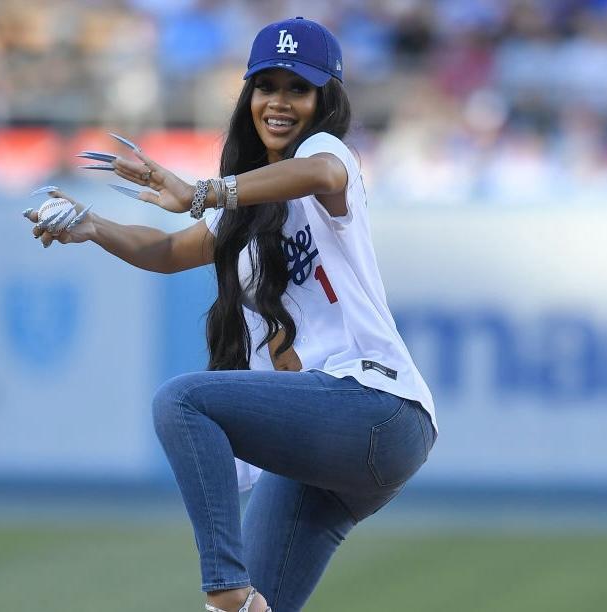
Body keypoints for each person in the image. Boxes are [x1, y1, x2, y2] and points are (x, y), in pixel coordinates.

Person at [25, 17, 437, 612]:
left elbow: (318, 175)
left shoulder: (325, 154)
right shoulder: (242, 213)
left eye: (298, 87)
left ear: (326, 100)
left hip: (379, 407)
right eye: (266, 86)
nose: (279, 101)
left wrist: (205, 191)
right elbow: (169, 251)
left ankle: (226, 590)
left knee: (183, 400)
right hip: (325, 443)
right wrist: (94, 227)